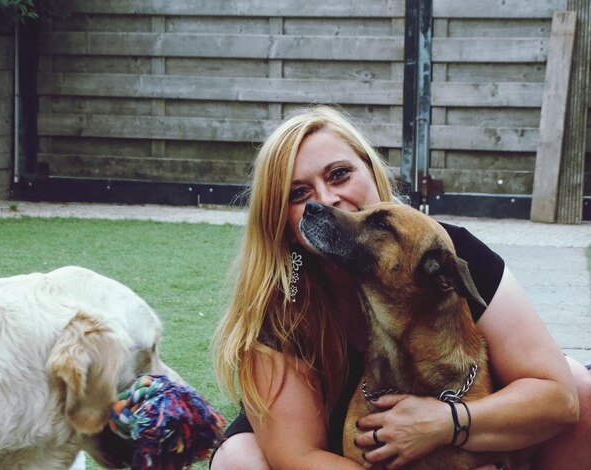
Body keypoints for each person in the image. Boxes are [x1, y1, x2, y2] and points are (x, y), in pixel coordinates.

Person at [210, 105, 591, 469]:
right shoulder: (279, 297)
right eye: (298, 194)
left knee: (577, 384)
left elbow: (559, 396)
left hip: (454, 424)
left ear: (372, 172)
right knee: (237, 459)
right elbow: (299, 458)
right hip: (329, 452)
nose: (325, 200)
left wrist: (449, 422)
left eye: (339, 174)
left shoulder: (442, 250)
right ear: (282, 221)